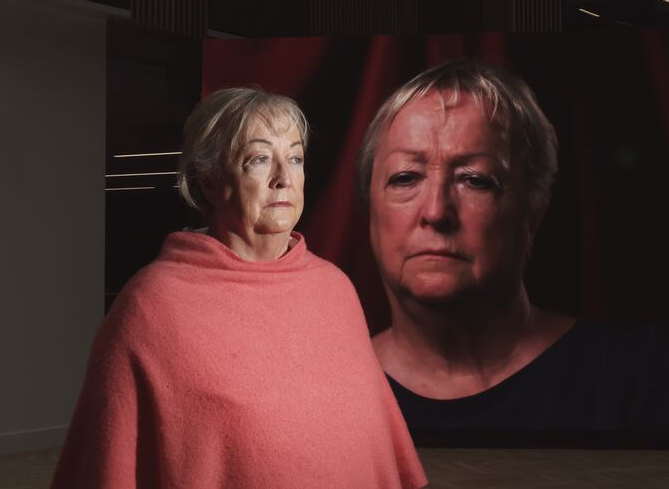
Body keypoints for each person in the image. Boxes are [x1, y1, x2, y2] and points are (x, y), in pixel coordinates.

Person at [51, 87, 427, 487]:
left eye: (295, 158)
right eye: (259, 159)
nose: (284, 179)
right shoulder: (152, 305)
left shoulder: (333, 289)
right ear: (209, 181)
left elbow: (373, 436)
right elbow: (107, 466)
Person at [358, 60, 669, 443]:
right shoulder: (327, 388)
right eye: (405, 178)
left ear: (532, 211)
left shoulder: (633, 377)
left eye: (475, 180)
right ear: (370, 210)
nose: (435, 211)